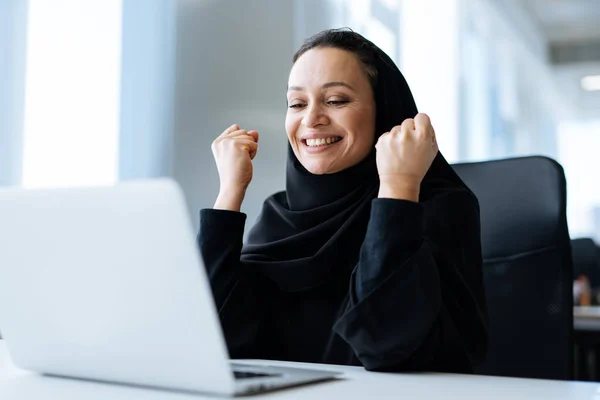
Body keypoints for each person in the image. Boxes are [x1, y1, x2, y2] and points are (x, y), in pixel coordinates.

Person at [198, 28, 488, 372]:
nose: (311, 119)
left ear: (384, 113)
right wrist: (230, 192)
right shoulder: (279, 218)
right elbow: (210, 339)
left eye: (335, 100)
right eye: (297, 103)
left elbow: (386, 347)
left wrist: (398, 187)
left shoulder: (437, 206)